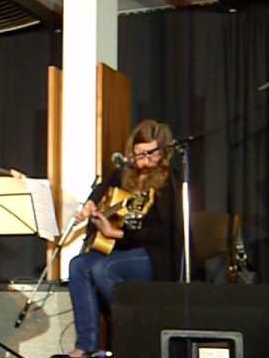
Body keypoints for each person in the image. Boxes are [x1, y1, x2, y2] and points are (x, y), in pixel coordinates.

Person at [58, 120, 182, 358]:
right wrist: (90, 206)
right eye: (138, 155)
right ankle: (87, 345)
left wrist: (116, 233)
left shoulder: (170, 181)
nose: (143, 161)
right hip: (120, 248)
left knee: (102, 268)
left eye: (150, 155)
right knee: (78, 265)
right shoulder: (123, 174)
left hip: (153, 254)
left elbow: (164, 232)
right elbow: (101, 191)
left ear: (163, 153)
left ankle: (133, 334)